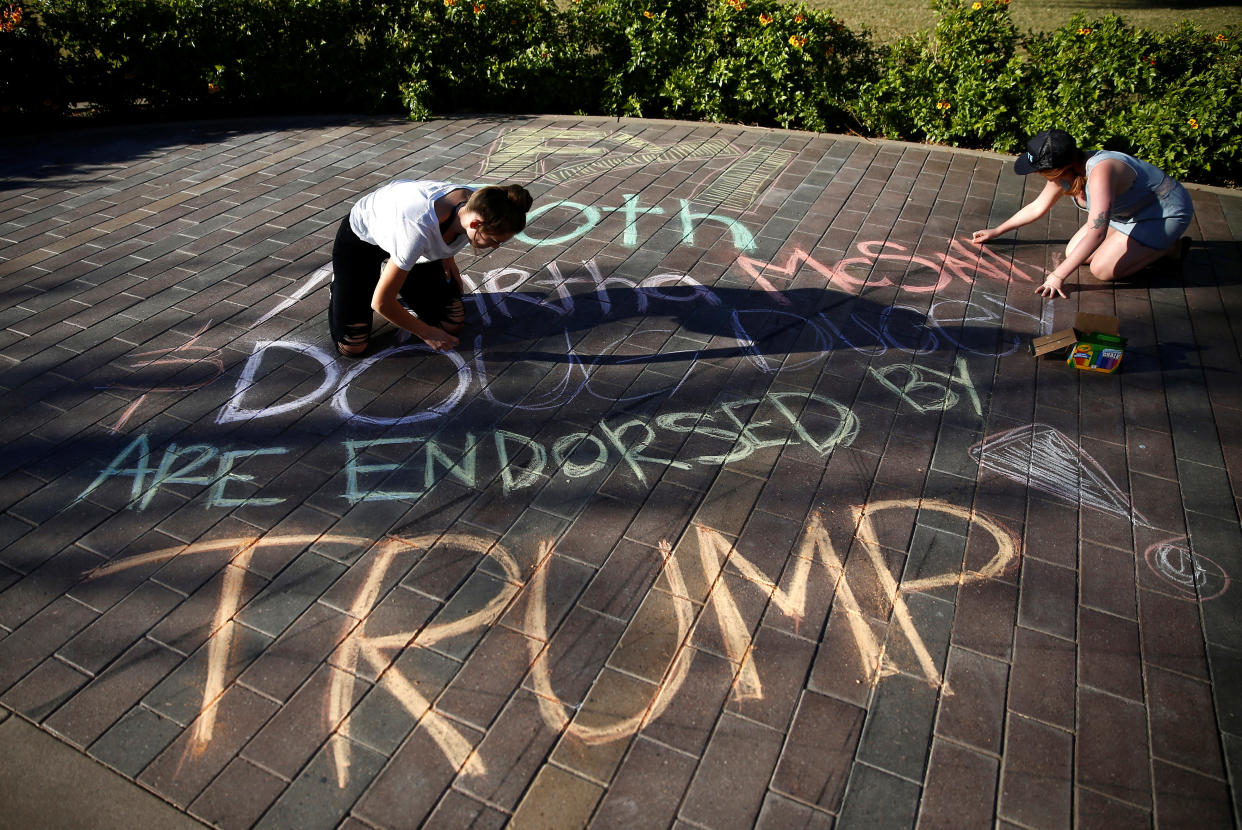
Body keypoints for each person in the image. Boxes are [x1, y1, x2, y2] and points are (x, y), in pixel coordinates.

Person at [971, 129, 1194, 298]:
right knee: (1074, 252)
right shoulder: (1068, 169)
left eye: (1041, 169)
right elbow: (1038, 206)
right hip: (1124, 214)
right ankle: (1136, 244)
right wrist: (997, 230)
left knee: (1102, 269)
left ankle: (1169, 248)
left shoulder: (1101, 172)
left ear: (1059, 167)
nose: (1038, 173)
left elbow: (1097, 233)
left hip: (1162, 214)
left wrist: (1058, 276)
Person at [330, 180, 534, 354]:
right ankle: (343, 285)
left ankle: (397, 273)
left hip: (412, 246)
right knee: (353, 346)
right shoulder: (417, 229)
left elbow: (452, 228)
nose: (495, 246)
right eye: (493, 240)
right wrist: (426, 333)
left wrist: (447, 255)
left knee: (452, 323)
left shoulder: (481, 204)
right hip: (363, 239)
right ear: (475, 225)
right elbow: (381, 303)